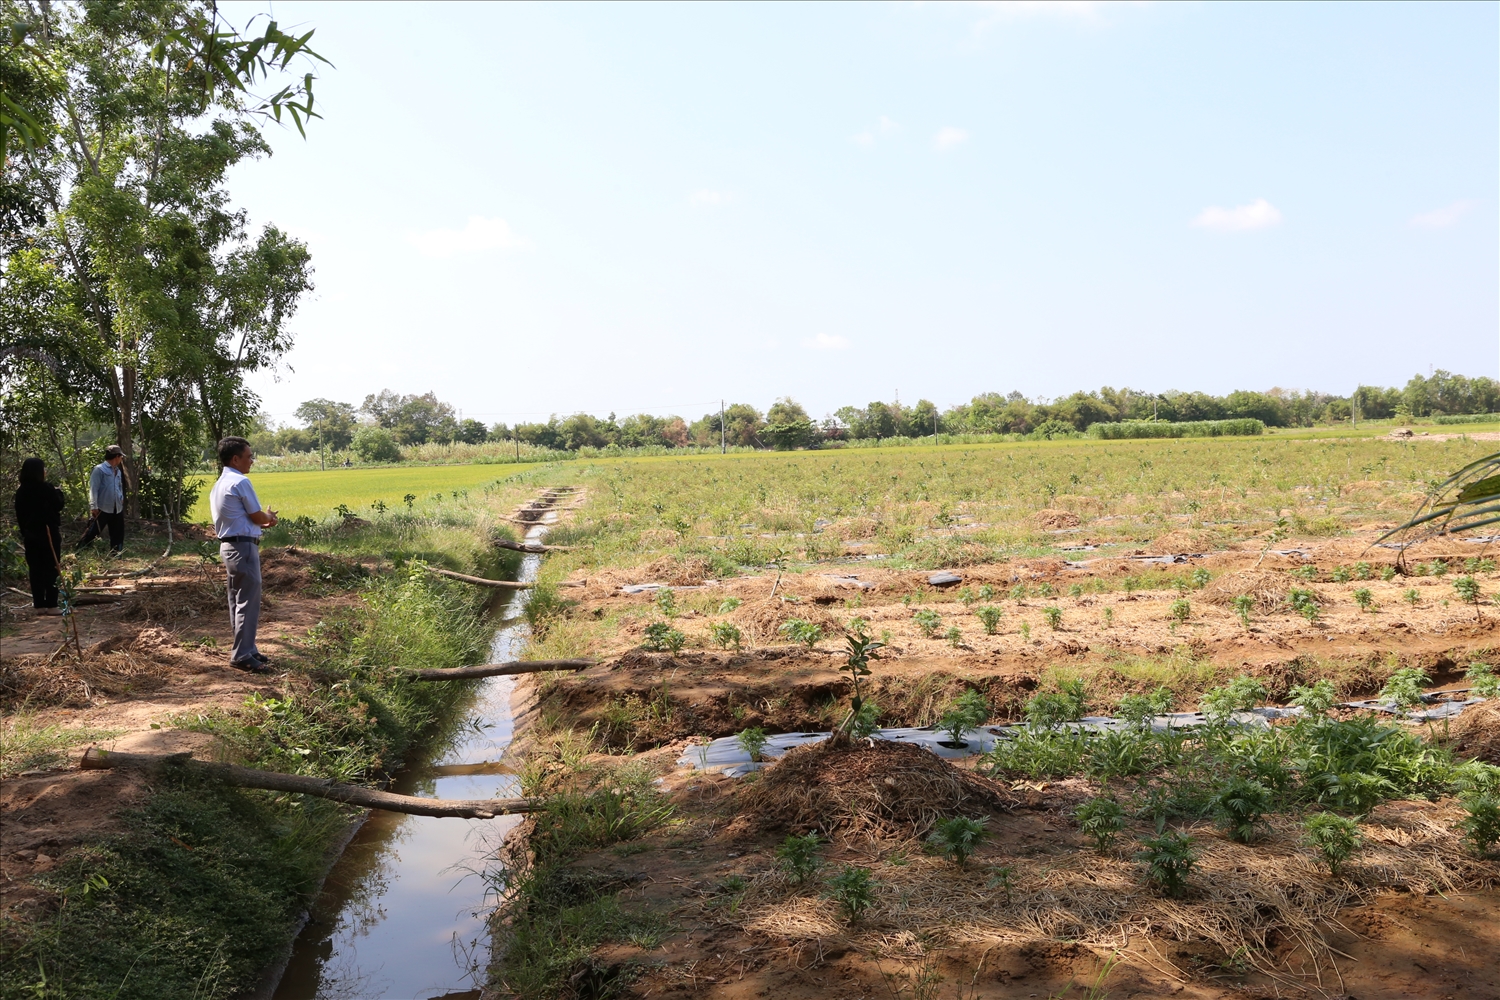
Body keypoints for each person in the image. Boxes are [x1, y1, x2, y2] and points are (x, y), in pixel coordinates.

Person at [209, 436, 279, 673]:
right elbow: (257, 516)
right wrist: (269, 518)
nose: (252, 461)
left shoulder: (219, 484)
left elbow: (242, 517)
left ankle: (247, 648)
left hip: (229, 547)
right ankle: (242, 654)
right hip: (243, 547)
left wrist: (260, 521)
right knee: (248, 600)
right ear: (236, 458)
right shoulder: (241, 482)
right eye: (249, 456)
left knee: (237, 600)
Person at [14, 458, 66, 615]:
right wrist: (58, 492)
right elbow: (59, 505)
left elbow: (20, 515)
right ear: (39, 472)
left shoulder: (21, 491)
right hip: (48, 533)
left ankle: (39, 605)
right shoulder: (46, 488)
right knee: (52, 567)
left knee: (35, 569)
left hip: (30, 535)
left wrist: (25, 532)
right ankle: (52, 605)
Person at [76, 444, 126, 554]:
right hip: (102, 507)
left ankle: (116, 553)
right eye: (121, 457)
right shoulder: (99, 470)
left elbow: (119, 486)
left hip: (117, 507)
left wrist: (121, 497)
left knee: (118, 532)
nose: (121, 459)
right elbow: (93, 489)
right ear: (117, 456)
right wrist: (94, 506)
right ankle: (80, 551)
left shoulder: (117, 471)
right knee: (93, 531)